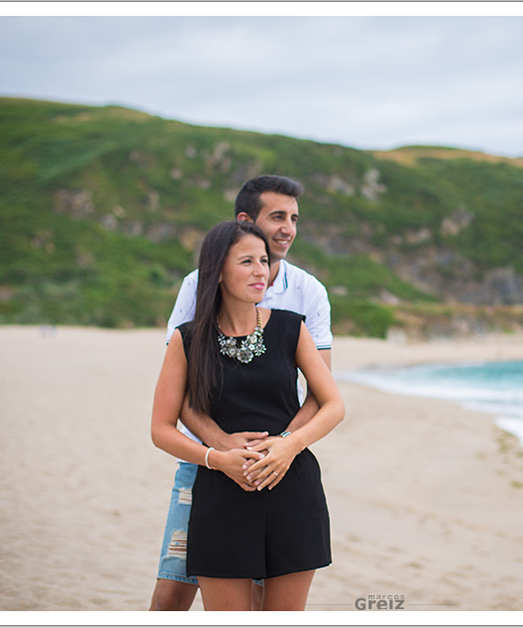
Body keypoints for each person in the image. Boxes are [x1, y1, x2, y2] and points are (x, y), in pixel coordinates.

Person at [149, 175, 333, 611]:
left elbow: (323, 396)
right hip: (208, 471)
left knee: (268, 599)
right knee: (173, 592)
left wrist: (280, 449)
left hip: (285, 471)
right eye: (277, 216)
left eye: (294, 218)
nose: (288, 227)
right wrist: (221, 449)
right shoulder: (194, 303)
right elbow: (183, 401)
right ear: (245, 219)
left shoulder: (305, 299)